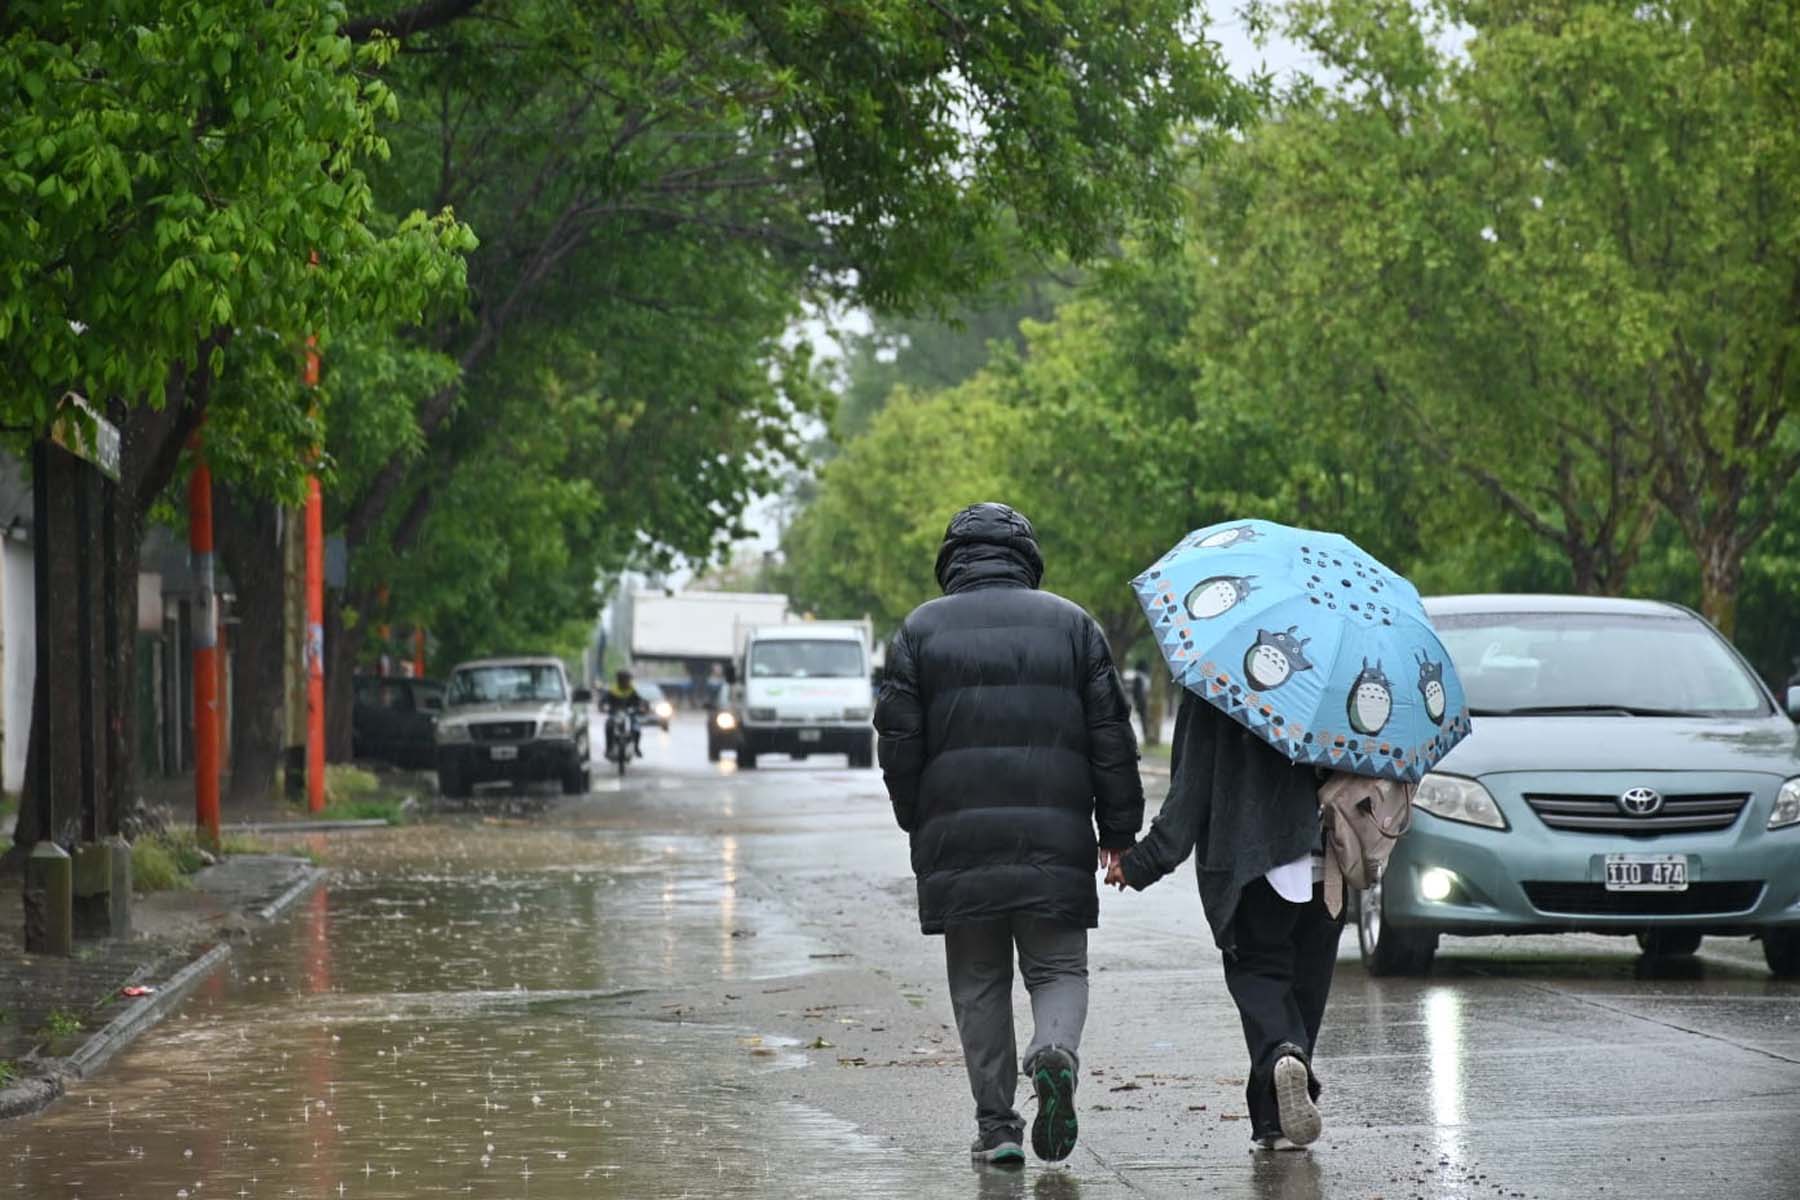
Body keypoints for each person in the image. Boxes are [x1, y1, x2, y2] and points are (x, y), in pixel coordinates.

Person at [875, 502, 1144, 1168]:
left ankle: (997, 1128)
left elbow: (897, 744)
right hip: (1056, 840)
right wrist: (1119, 831)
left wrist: (918, 818)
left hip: (957, 843)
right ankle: (1053, 1052)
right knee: (1057, 969)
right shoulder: (1074, 625)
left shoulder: (919, 631)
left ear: (951, 560)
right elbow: (1113, 739)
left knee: (978, 984)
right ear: (1027, 557)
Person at [1107, 690, 1337, 1152]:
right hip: (1328, 855)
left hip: (1251, 861)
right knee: (1307, 985)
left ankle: (1281, 1057)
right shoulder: (1329, 674)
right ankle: (1274, 1118)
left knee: (1260, 974)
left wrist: (1140, 864)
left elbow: (1189, 795)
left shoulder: (1217, 685)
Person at [601, 669, 648, 758]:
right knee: (609, 726)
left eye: (627, 679)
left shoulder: (632, 690)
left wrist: (641, 707)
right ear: (619, 680)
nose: (626, 681)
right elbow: (604, 701)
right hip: (615, 714)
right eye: (624, 679)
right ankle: (608, 748)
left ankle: (636, 748)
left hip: (629, 714)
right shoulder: (612, 690)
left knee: (636, 728)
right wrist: (603, 706)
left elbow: (639, 701)